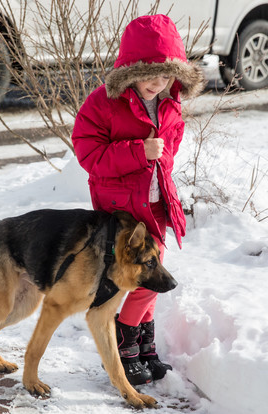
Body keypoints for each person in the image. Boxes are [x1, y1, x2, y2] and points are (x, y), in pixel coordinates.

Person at [71, 14, 204, 385]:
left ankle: (142, 345)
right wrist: (138, 152)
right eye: (148, 74)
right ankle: (122, 342)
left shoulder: (169, 102)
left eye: (165, 75)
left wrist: (159, 163)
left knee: (150, 272)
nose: (157, 83)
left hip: (156, 204)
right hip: (123, 209)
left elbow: (170, 149)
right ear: (129, 70)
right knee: (143, 274)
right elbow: (89, 155)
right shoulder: (104, 103)